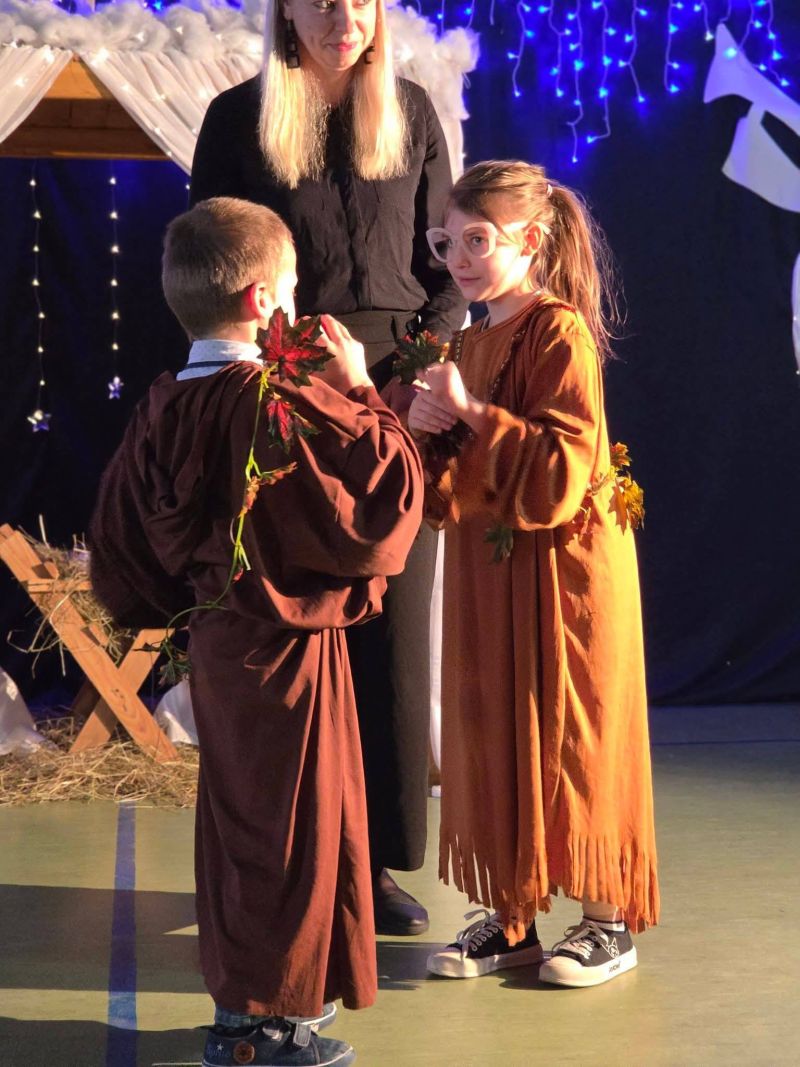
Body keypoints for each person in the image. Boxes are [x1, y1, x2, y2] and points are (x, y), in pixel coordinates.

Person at [89, 196, 424, 1066]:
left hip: (217, 648)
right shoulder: (278, 402)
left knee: (243, 827)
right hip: (288, 654)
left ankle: (247, 1011)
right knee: (293, 831)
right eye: (292, 288)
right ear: (260, 300)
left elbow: (120, 551)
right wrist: (359, 386)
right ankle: (265, 1029)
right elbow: (383, 507)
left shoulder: (163, 403)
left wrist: (192, 602)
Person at [189, 0, 467, 935]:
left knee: (394, 634)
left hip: (402, 393)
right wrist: (283, 377)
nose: (341, 15)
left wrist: (418, 368)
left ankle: (378, 862)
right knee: (309, 636)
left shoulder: (414, 111)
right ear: (286, 10)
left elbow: (446, 270)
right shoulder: (237, 119)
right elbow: (213, 268)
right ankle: (310, 856)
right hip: (289, 386)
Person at [409, 161, 659, 989]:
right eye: (448, 242)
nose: (460, 259)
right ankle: (513, 916)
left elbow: (560, 469)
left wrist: (470, 413)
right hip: (495, 570)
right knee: (497, 723)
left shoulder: (560, 333)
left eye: (478, 240)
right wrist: (429, 427)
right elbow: (449, 488)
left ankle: (606, 921)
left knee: (574, 730)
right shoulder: (466, 341)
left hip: (565, 573)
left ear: (533, 241)